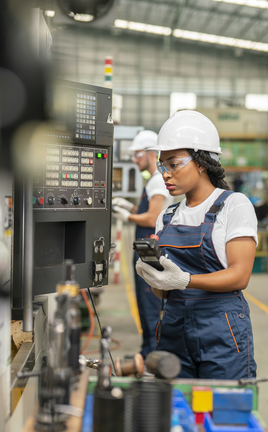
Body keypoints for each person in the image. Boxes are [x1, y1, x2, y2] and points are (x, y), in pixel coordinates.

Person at [134, 110, 258, 380]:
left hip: (221, 331)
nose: (165, 174)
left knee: (223, 411)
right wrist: (154, 276)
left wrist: (186, 280)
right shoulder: (166, 217)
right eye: (161, 165)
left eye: (174, 164)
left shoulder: (233, 205)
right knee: (176, 412)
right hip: (173, 328)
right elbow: (163, 293)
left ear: (201, 162)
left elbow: (240, 275)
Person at [112, 130, 173, 358]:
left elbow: (151, 217)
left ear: (150, 153)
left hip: (151, 251)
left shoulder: (158, 180)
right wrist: (128, 208)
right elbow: (145, 212)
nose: (135, 160)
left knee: (150, 306)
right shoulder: (153, 180)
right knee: (143, 303)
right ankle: (147, 351)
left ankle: (152, 356)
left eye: (138, 154)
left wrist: (126, 217)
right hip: (145, 248)